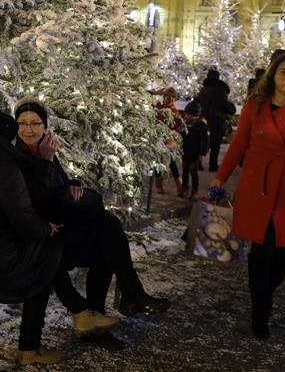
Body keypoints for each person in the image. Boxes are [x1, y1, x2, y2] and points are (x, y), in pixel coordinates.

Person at [0, 107, 115, 365]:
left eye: (35, 124)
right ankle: (49, 335)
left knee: (42, 253)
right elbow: (25, 220)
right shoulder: (5, 168)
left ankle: (65, 323)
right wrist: (45, 228)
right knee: (46, 251)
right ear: (8, 137)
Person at [13, 97, 170, 319]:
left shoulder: (44, 151)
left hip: (59, 230)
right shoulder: (16, 157)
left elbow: (59, 186)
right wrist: (47, 163)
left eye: (35, 123)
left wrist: (72, 187)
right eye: (22, 123)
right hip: (41, 239)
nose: (28, 129)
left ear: (44, 126)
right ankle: (123, 300)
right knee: (107, 232)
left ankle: (102, 313)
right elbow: (38, 201)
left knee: (106, 235)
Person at [209, 53, 285, 339]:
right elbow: (238, 145)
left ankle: (262, 294)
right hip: (257, 185)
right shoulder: (255, 106)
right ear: (273, 76)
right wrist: (219, 178)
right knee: (261, 252)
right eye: (283, 72)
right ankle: (261, 311)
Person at [196, 69, 236, 172]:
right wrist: (231, 109)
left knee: (204, 142)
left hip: (203, 119)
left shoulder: (204, 89)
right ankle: (213, 165)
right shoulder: (220, 89)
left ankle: (198, 162)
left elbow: (198, 103)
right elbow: (224, 105)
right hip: (216, 120)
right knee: (215, 143)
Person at [151, 88, 183, 193]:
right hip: (158, 138)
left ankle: (179, 186)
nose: (168, 99)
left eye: (170, 97)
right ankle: (159, 186)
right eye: (165, 96)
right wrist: (156, 93)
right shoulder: (159, 107)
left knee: (172, 162)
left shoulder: (174, 111)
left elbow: (178, 126)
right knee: (158, 162)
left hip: (168, 140)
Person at [179, 100, 209, 199]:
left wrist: (202, 153)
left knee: (193, 172)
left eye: (187, 114)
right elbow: (182, 136)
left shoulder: (201, 126)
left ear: (194, 115)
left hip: (195, 154)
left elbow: (205, 141)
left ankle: (194, 190)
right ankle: (184, 189)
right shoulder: (185, 124)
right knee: (184, 172)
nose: (185, 116)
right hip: (185, 152)